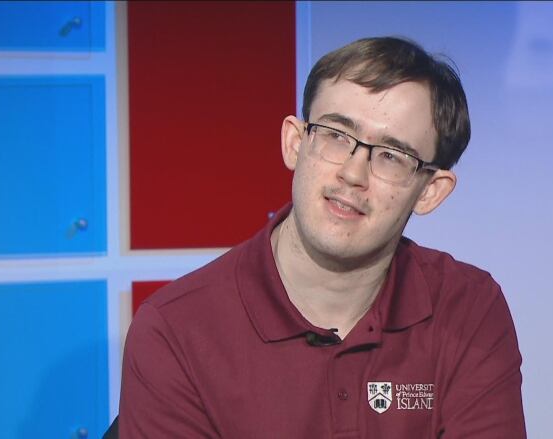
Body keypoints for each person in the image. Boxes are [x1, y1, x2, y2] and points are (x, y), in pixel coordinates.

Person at [118, 36, 526, 438]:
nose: (352, 174)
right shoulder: (174, 332)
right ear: (296, 143)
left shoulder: (470, 308)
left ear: (430, 191)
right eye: (336, 135)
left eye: (391, 156)